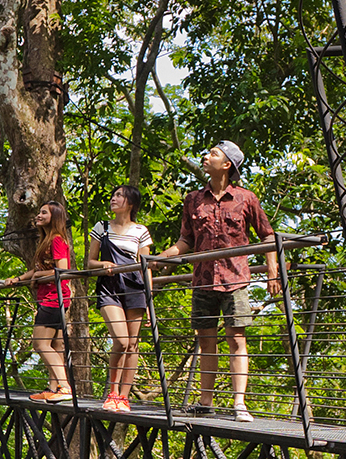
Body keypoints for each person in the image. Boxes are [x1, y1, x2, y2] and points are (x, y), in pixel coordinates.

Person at [154, 141, 279, 421]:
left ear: (227, 165)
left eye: (213, 153)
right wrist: (162, 257)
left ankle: (239, 404)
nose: (205, 156)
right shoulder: (193, 200)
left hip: (236, 279)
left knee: (237, 339)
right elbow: (186, 239)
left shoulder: (246, 198)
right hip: (202, 280)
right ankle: (205, 402)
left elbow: (267, 235)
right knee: (206, 340)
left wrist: (273, 271)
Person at [86, 184, 153, 412]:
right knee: (121, 341)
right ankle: (112, 392)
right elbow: (90, 262)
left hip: (135, 288)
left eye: (119, 196)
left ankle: (124, 397)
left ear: (130, 203)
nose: (114, 199)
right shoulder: (101, 227)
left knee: (133, 345)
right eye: (113, 195)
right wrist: (103, 264)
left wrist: (149, 299)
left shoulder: (140, 231)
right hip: (109, 287)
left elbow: (146, 267)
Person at [5, 201, 75, 402]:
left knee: (40, 344)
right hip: (49, 297)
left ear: (55, 217)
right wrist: (18, 279)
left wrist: (40, 275)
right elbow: (37, 270)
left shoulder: (57, 240)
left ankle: (64, 386)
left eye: (44, 212)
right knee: (55, 345)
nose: (38, 215)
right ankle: (53, 387)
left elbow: (62, 271)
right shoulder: (46, 240)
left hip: (55, 297)